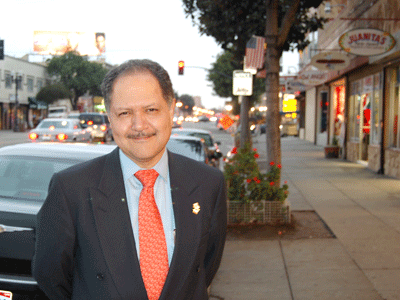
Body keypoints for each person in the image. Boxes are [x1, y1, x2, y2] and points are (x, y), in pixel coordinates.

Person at [32, 59, 227, 300]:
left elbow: (204, 268)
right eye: (125, 113)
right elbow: (51, 275)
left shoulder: (208, 184)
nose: (139, 125)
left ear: (171, 109)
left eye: (151, 110)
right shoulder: (71, 189)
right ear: (110, 118)